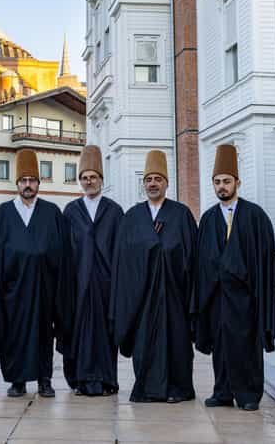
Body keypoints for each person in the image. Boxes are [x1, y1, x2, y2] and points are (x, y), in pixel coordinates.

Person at [194, 144, 275, 411]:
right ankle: (223, 392)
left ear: (237, 182)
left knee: (245, 347)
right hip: (217, 298)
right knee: (221, 347)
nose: (221, 187)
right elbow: (201, 261)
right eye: (217, 182)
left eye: (226, 181)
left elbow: (263, 261)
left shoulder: (255, 217)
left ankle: (249, 394)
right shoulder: (207, 219)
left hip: (245, 299)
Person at [110, 150, 197, 403]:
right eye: (148, 179)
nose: (153, 184)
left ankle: (178, 390)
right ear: (143, 184)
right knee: (145, 345)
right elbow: (123, 262)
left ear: (166, 183)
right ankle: (148, 389)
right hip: (142, 299)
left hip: (174, 298)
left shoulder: (181, 215)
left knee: (177, 346)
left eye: (158, 179)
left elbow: (191, 258)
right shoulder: (132, 217)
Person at [0, 149, 67, 398]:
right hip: (12, 288)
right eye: (23, 181)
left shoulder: (52, 211)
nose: (28, 185)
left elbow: (61, 250)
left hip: (44, 286)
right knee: (14, 335)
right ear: (17, 184)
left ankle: (45, 380)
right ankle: (17, 380)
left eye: (32, 180)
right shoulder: (3, 212)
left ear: (39, 183)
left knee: (44, 335)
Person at [61, 145, 123, 396]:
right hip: (78, 286)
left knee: (105, 335)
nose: (89, 181)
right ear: (80, 181)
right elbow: (65, 250)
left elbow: (120, 251)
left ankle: (107, 381)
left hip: (106, 285)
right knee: (80, 334)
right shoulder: (71, 211)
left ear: (101, 180)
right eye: (85, 178)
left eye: (93, 177)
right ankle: (81, 380)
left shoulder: (115, 211)